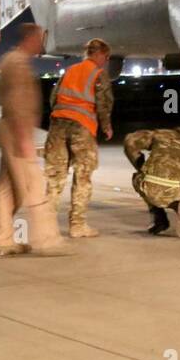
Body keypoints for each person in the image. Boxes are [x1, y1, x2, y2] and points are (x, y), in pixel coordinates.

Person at [0, 23, 69, 257]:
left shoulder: (10, 60)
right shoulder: (16, 63)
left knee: (8, 190)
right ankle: (47, 240)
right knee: (34, 186)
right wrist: (24, 139)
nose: (41, 43)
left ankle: (4, 240)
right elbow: (16, 102)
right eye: (39, 38)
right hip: (17, 132)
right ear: (30, 38)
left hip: (11, 130)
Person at [44, 39, 113, 238]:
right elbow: (103, 104)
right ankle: (77, 225)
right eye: (106, 58)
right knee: (83, 176)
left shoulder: (70, 70)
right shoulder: (99, 74)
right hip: (82, 128)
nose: (105, 62)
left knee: (54, 178)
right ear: (100, 55)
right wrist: (106, 126)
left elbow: (53, 98)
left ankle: (46, 226)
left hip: (57, 125)